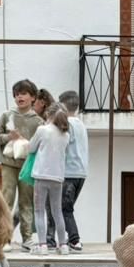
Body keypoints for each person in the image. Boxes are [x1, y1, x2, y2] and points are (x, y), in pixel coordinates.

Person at [0, 80, 41, 246]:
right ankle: (4, 238)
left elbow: (41, 145)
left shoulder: (38, 121)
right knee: (6, 200)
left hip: (28, 166)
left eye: (24, 93)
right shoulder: (7, 116)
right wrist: (8, 137)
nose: (20, 96)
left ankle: (27, 238)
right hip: (8, 164)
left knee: (27, 202)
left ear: (33, 97)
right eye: (17, 94)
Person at [29, 106, 70, 254]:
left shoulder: (42, 130)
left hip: (41, 175)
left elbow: (31, 148)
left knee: (39, 211)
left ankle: (42, 245)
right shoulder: (66, 135)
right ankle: (63, 245)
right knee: (57, 211)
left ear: (48, 115)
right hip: (58, 177)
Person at [58, 91, 88, 252]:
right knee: (66, 208)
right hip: (81, 172)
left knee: (64, 208)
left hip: (69, 172)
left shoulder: (67, 124)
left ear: (62, 105)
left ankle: (74, 240)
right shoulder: (81, 124)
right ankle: (64, 239)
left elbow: (62, 143)